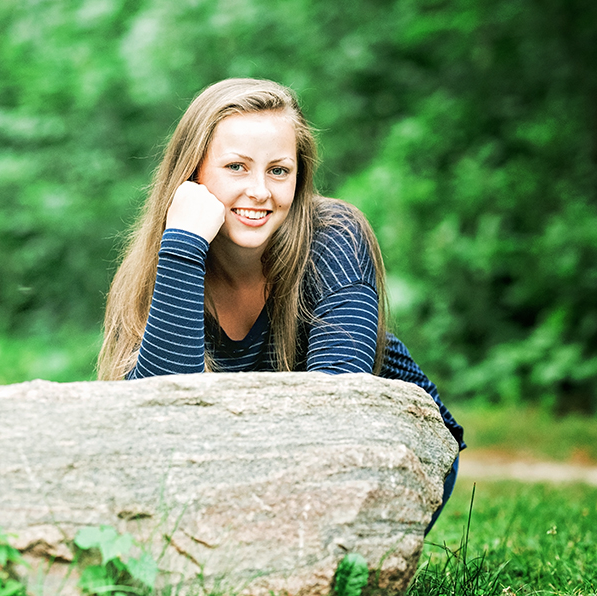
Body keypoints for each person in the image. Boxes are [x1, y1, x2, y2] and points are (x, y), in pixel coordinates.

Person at [97, 77, 464, 534]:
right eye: (235, 167)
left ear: (299, 176)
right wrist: (183, 248)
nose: (259, 191)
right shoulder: (165, 263)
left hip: (385, 453)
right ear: (191, 176)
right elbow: (150, 426)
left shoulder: (333, 238)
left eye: (278, 170)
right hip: (248, 471)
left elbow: (336, 413)